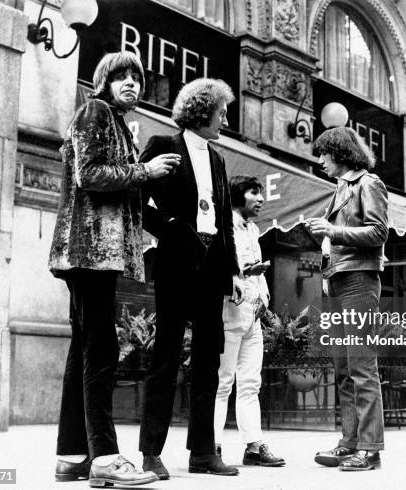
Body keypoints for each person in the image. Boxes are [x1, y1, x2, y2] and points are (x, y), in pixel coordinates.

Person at [48, 51, 181, 487]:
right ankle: (104, 456)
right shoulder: (95, 112)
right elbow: (89, 175)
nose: (130, 83)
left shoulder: (116, 121)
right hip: (89, 250)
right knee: (100, 350)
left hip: (92, 253)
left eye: (136, 78)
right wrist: (145, 170)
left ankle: (72, 456)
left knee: (84, 350)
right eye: (120, 76)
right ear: (103, 80)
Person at [138, 78, 242, 478]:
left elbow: (225, 219)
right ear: (202, 112)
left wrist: (232, 270)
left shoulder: (217, 158)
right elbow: (138, 198)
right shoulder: (163, 145)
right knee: (164, 355)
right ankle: (151, 452)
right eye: (222, 111)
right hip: (175, 261)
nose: (226, 118)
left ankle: (202, 452)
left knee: (208, 361)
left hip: (212, 266)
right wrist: (169, 228)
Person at [307, 127, 388, 472]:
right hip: (338, 281)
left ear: (339, 153)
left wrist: (332, 231)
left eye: (324, 154)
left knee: (361, 366)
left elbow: (379, 231)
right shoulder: (341, 188)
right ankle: (350, 443)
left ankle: (369, 449)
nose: (320, 161)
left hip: (359, 281)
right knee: (343, 367)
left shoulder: (368, 184)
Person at [213, 176, 286, 467]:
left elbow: (259, 272)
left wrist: (265, 299)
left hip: (253, 315)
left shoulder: (253, 228)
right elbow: (224, 267)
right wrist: (240, 277)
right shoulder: (224, 226)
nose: (260, 198)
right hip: (230, 311)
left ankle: (254, 446)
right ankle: (212, 446)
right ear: (237, 194)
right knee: (222, 382)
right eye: (254, 192)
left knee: (250, 384)